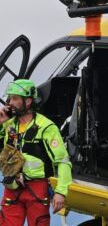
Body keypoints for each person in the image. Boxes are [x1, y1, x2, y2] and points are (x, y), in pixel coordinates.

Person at [0, 79, 72, 226]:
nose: (10, 103)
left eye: (14, 98)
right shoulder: (7, 124)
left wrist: (60, 192)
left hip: (37, 188)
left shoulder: (46, 127)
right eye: (9, 98)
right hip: (12, 186)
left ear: (28, 101)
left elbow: (63, 161)